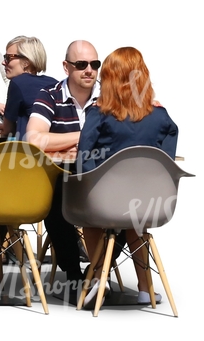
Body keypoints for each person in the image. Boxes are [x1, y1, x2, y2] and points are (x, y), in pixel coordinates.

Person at [77, 47, 178, 308]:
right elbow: (167, 156)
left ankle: (99, 278)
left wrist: (87, 180)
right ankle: (145, 289)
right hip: (148, 203)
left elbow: (83, 157)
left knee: (88, 216)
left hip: (105, 203)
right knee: (135, 220)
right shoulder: (161, 116)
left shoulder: (98, 114)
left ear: (109, 79)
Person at [26, 40, 101, 292]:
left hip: (100, 179)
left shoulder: (108, 98)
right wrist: (84, 136)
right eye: (81, 64)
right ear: (66, 67)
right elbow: (34, 140)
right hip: (62, 180)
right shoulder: (49, 96)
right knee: (56, 204)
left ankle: (98, 272)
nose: (89, 70)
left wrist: (58, 141)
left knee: (127, 210)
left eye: (94, 64)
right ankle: (73, 274)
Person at [0, 36, 58, 139]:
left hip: (30, 150)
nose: (3, 62)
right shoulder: (54, 83)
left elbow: (8, 130)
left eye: (8, 58)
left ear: (26, 62)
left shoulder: (18, 83)